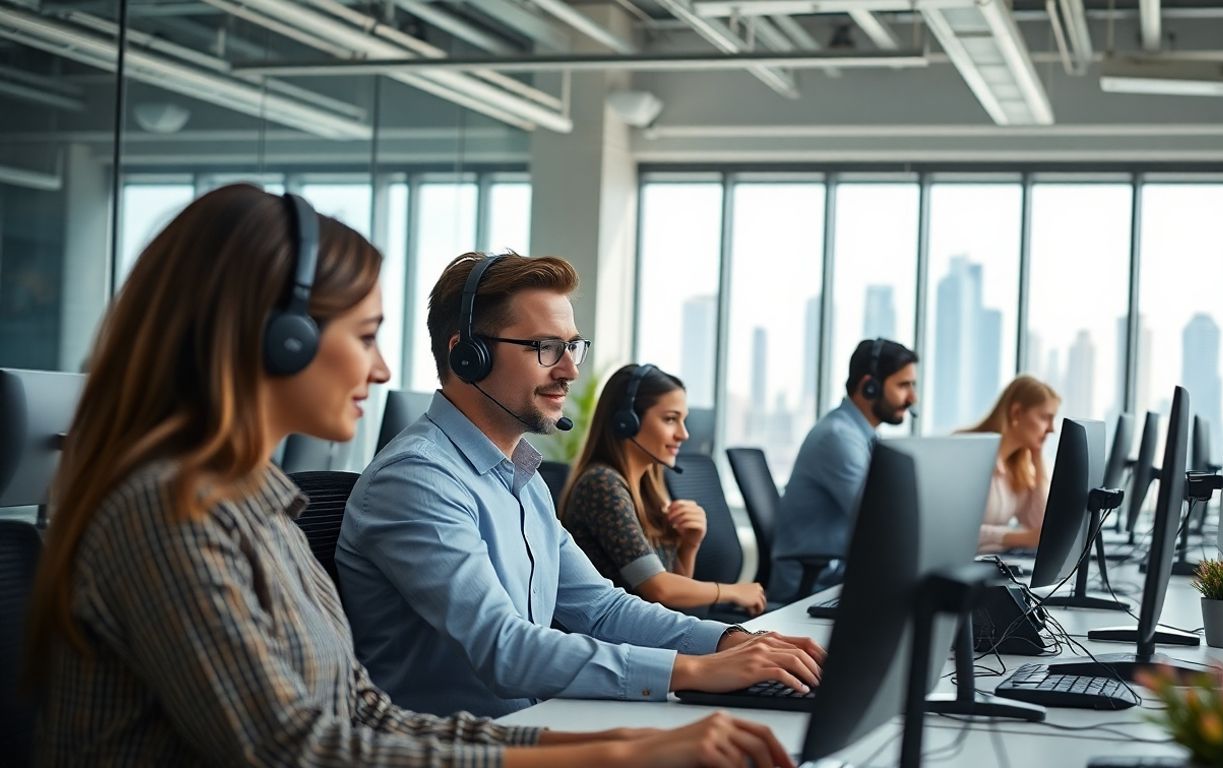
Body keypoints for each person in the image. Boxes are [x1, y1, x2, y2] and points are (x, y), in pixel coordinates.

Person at [24, 186, 793, 767]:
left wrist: (616, 740)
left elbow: (361, 709)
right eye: (363, 336)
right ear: (278, 340)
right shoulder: (166, 517)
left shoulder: (259, 510)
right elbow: (298, 748)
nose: (383, 368)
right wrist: (617, 751)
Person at [337, 252, 823, 719]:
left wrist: (728, 642)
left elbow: (600, 608)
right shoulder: (418, 479)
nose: (570, 370)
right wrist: (695, 671)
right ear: (468, 355)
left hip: (542, 725)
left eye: (572, 347)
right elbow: (504, 648)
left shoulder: (523, 480)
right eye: (546, 348)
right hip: (461, 750)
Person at [560, 363, 766, 615]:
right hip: (617, 642)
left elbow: (671, 602)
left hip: (649, 633)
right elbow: (659, 590)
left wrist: (689, 545)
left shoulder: (650, 487)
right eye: (670, 419)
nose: (684, 434)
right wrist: (733, 591)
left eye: (683, 421)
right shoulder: (602, 484)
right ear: (626, 422)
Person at [769, 338, 919, 604]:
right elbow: (880, 519)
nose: (912, 398)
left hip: (838, 575)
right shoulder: (838, 438)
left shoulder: (862, 436)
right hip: (813, 586)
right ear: (869, 386)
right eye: (903, 385)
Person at [961, 374, 1061, 553]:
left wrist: (1038, 460)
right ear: (1016, 413)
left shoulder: (1017, 467)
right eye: (1045, 417)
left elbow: (1040, 527)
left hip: (990, 566)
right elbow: (953, 530)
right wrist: (1018, 537)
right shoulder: (966, 454)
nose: (1052, 429)